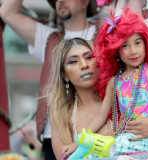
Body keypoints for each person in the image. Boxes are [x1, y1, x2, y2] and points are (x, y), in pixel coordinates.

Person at [62, 8, 148, 156]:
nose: (133, 50)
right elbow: (101, 116)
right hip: (125, 138)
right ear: (116, 51)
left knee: (105, 150)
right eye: (125, 45)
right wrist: (75, 143)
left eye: (137, 43)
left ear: (146, 44)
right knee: (95, 153)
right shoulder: (115, 81)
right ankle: (84, 147)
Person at [44, 37, 148, 160]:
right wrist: (113, 134)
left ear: (99, 61)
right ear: (64, 75)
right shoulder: (61, 113)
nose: (84, 65)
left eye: (89, 57)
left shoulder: (123, 94)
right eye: (73, 62)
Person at [0, 0, 98, 159]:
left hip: (97, 131)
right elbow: (6, 12)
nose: (60, 1)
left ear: (85, 2)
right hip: (54, 138)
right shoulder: (48, 37)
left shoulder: (107, 32)